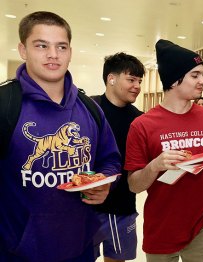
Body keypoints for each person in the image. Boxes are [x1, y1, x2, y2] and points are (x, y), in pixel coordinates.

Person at [0, 11, 121, 261]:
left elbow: (110, 160)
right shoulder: (4, 105)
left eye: (61, 46)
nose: (53, 54)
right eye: (41, 45)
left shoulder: (89, 108)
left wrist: (104, 183)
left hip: (81, 249)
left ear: (70, 51)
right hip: (17, 252)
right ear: (23, 50)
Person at [125, 39, 203, 261]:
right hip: (161, 227)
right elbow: (134, 185)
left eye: (202, 73)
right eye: (195, 75)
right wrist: (155, 165)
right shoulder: (142, 125)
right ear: (174, 80)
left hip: (201, 227)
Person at [92, 52, 145, 262]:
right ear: (111, 79)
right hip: (86, 205)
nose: (137, 86)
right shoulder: (89, 109)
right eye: (131, 79)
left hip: (122, 205)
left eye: (140, 81)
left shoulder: (140, 119)